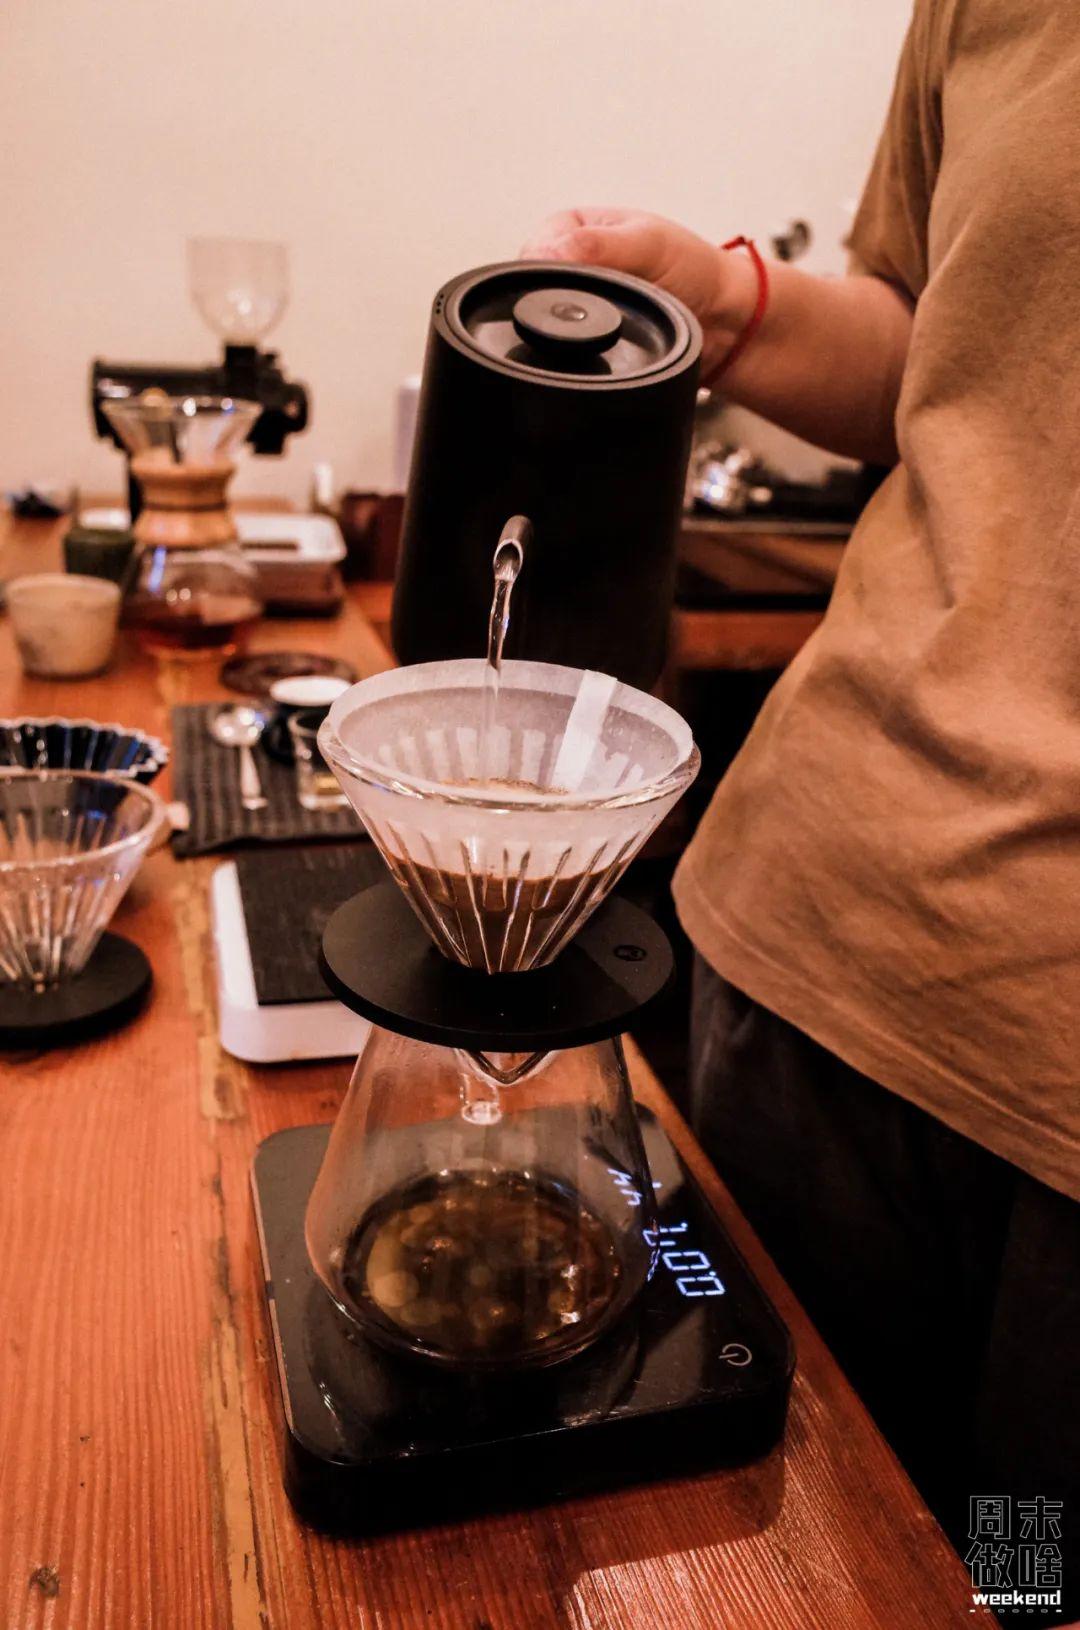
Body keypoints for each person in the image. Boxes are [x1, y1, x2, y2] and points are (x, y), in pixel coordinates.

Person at [525, 1, 1078, 1621]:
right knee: (780, 1558)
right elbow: (932, 339)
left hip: (1056, 1110)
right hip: (807, 954)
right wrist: (731, 305)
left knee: (1022, 1578)